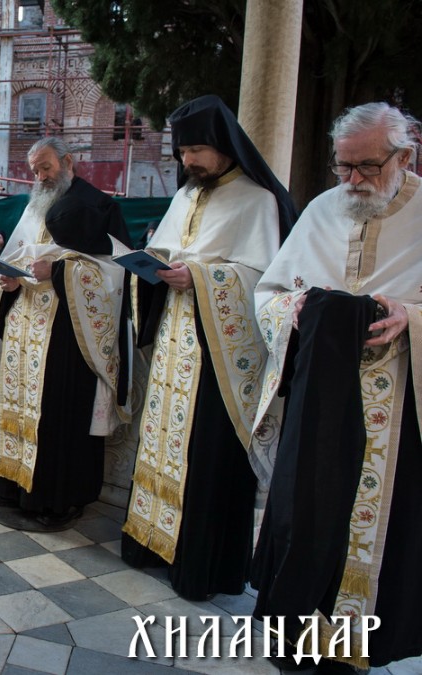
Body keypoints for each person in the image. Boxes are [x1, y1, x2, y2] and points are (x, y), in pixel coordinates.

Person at [249, 102, 422, 673]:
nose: (351, 180)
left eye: (366, 167)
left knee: (382, 521)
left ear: (405, 155)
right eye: (341, 166)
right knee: (304, 509)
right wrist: (293, 309)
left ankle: (363, 640)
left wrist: (410, 317)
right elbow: (270, 291)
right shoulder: (324, 208)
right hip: (318, 404)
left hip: (398, 403)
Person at [119, 95, 297, 601]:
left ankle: (200, 564)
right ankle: (153, 542)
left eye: (197, 149)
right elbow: (172, 250)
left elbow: (264, 281)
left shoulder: (257, 200)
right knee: (162, 440)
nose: (188, 161)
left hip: (219, 354)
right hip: (178, 338)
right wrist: (151, 263)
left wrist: (197, 276)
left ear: (223, 146)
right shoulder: (188, 196)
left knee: (204, 452)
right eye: (181, 152)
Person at [0, 137, 132, 530]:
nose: (40, 176)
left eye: (46, 168)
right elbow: (17, 255)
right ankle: (16, 486)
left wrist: (59, 272)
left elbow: (116, 274)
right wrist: (9, 278)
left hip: (69, 334)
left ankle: (58, 500)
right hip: (26, 325)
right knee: (21, 406)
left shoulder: (100, 206)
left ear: (68, 161)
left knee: (57, 414)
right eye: (35, 170)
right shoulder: (35, 205)